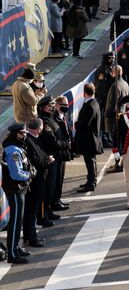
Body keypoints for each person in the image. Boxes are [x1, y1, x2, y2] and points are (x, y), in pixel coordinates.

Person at [2, 123, 33, 263]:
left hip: (19, 189)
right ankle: (13, 254)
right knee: (15, 222)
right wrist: (30, 174)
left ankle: (15, 247)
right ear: (16, 134)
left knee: (18, 221)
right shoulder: (13, 151)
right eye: (22, 133)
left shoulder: (17, 147)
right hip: (15, 189)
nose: (24, 135)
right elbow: (16, 174)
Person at [23, 118, 51, 248]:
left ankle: (29, 236)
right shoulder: (29, 141)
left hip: (36, 180)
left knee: (31, 210)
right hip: (34, 182)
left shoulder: (33, 140)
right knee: (32, 210)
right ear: (37, 129)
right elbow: (36, 161)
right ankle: (31, 237)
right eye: (40, 128)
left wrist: (45, 158)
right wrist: (48, 161)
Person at [75, 83, 103, 193]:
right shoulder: (94, 103)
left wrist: (76, 124)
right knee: (91, 161)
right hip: (91, 138)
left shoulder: (90, 106)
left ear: (84, 93)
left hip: (89, 139)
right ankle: (91, 180)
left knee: (90, 162)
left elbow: (84, 124)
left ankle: (91, 182)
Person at [104, 66, 129, 170]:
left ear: (114, 73)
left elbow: (113, 104)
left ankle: (118, 163)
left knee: (117, 142)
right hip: (122, 115)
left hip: (115, 118)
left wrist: (107, 113)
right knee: (120, 141)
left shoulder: (115, 86)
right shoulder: (125, 84)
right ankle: (120, 163)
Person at [50, 96, 73, 212]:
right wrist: (65, 144)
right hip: (57, 152)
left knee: (60, 178)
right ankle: (54, 201)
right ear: (57, 105)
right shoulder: (53, 118)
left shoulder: (63, 116)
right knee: (55, 179)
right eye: (64, 104)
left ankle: (58, 199)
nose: (66, 106)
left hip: (63, 152)